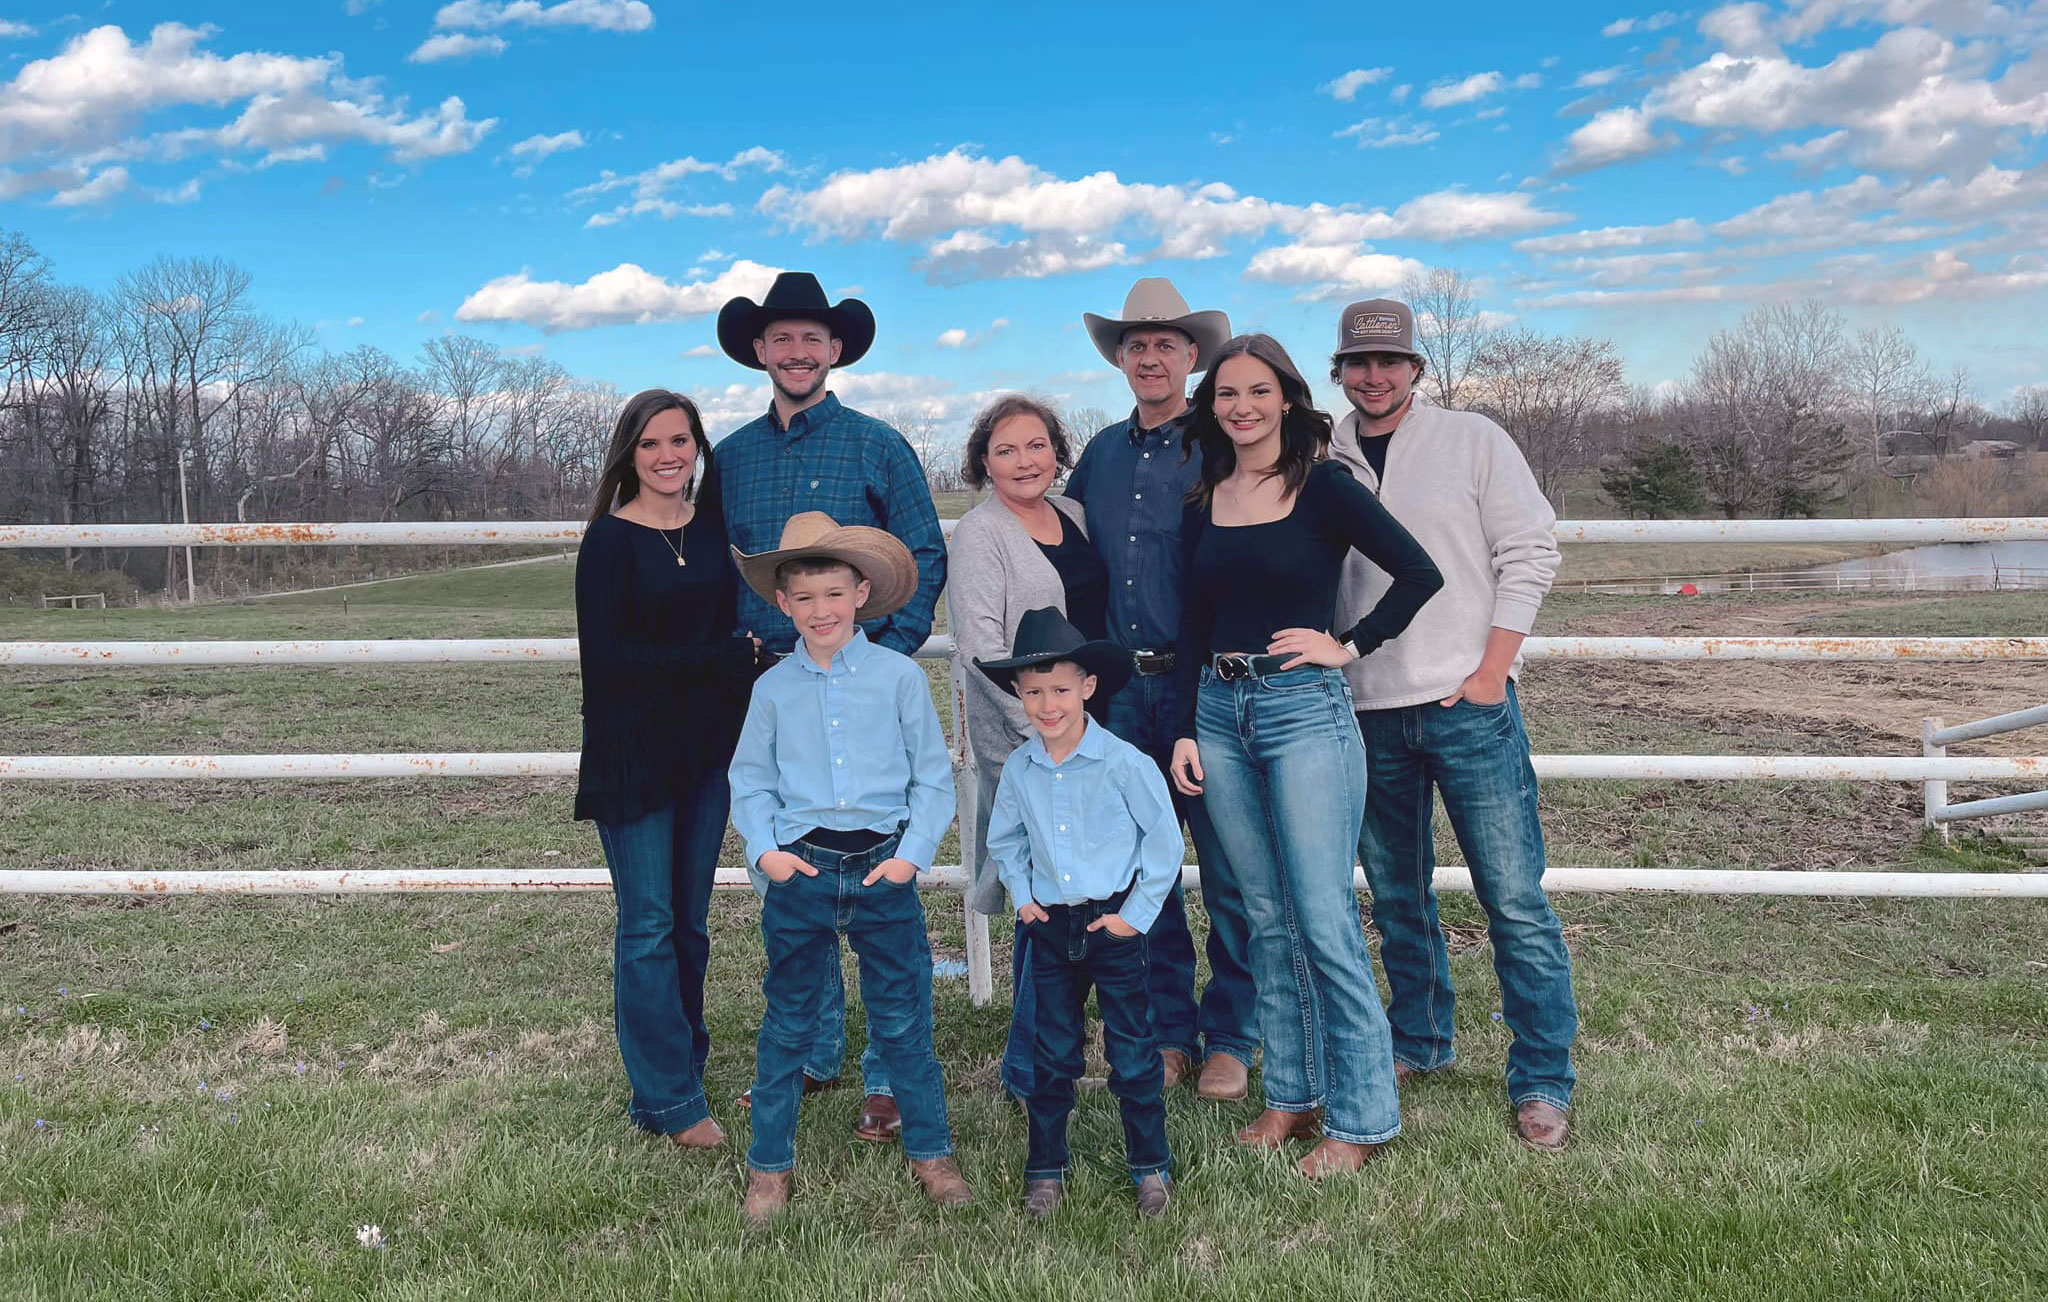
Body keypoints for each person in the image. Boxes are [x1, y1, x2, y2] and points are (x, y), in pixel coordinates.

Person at [1167, 333, 1443, 1179]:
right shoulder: (1202, 497)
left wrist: (1348, 645)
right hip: (1220, 711)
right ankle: (1290, 1095)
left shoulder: (1325, 487)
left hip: (1303, 713)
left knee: (1323, 920)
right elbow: (1191, 627)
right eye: (1225, 395)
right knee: (1262, 912)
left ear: (1286, 398)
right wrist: (1184, 724)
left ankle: (1361, 1119)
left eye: (1257, 392)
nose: (1241, 408)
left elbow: (1419, 573)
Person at [1326, 299, 1579, 1152]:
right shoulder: (1320, 449)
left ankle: (1542, 1075)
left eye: (1389, 361)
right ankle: (1420, 1041)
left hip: (1464, 706)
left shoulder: (1474, 440)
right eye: (1359, 363)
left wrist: (1490, 672)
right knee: (1398, 897)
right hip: (1366, 709)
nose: (1374, 376)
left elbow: (1530, 549)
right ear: (1340, 372)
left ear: (1416, 369)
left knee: (1511, 898)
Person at [715, 271, 948, 1143]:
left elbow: (922, 547)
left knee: (879, 884)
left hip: (861, 674)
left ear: (836, 349)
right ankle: (809, 1054)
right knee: (794, 879)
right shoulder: (731, 456)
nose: (798, 352)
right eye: (782, 338)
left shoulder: (877, 444)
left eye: (813, 338)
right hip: (767, 683)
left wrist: (887, 654)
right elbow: (717, 565)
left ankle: (887, 1077)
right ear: (761, 351)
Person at [726, 513, 967, 1223]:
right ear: (783, 604)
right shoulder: (773, 690)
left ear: (861, 592)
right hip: (800, 868)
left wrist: (910, 857)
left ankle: (931, 1150)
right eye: (804, 598)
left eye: (833, 593)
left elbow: (931, 778)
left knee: (902, 1017)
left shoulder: (896, 679)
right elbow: (751, 779)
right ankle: (769, 1166)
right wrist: (766, 851)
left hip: (880, 867)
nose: (820, 610)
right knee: (789, 1019)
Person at [1065, 277, 1258, 1100]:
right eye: (1135, 345)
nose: (1150, 357)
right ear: (1121, 358)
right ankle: (1165, 1028)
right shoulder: (1100, 455)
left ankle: (1236, 1031)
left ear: (1191, 356)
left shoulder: (1222, 445)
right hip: (1117, 692)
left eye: (1165, 345)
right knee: (1144, 866)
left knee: (1228, 863)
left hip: (1202, 687)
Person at [573, 389, 771, 1150]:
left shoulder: (712, 529)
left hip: (707, 750)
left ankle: (680, 1069)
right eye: (652, 443)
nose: (668, 456)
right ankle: (667, 1101)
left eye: (681, 441)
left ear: (698, 448)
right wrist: (723, 659)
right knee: (649, 924)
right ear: (629, 452)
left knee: (691, 924)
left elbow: (733, 639)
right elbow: (613, 665)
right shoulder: (609, 543)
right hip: (635, 751)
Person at [977, 609, 1181, 1219]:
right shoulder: (1020, 768)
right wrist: (1022, 896)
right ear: (1017, 693)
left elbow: (1164, 843)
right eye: (1034, 691)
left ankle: (1149, 1167)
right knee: (1050, 1051)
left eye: (1060, 690)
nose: (1048, 704)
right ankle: (1045, 1168)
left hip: (1113, 926)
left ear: (1088, 687)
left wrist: (1134, 915)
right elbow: (1005, 839)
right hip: (1049, 928)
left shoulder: (1125, 764)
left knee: (1134, 1050)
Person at [945, 394, 1103, 1103]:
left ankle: (1053, 1054)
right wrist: (1048, 730)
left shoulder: (1073, 515)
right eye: (1004, 450)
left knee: (1081, 899)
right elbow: (982, 648)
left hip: (1089, 735)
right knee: (1043, 908)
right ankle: (1031, 1068)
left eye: (1035, 446)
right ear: (983, 462)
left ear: (1057, 451)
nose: (1023, 461)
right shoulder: (981, 535)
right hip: (1027, 745)